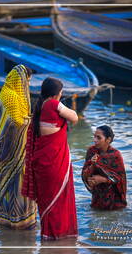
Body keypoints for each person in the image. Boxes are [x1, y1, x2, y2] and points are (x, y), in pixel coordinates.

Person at [22, 77, 78, 240]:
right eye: (61, 93)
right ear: (56, 94)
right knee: (58, 201)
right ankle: (58, 236)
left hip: (42, 162)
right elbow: (74, 117)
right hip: (54, 163)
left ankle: (48, 236)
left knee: (47, 201)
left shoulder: (39, 106)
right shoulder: (53, 104)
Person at [0, 64, 37, 229]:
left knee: (7, 184)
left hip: (2, 150)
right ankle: (20, 220)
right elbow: (17, 122)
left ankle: (6, 219)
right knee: (18, 184)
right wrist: (33, 120)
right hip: (15, 150)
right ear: (22, 79)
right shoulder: (12, 97)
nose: (27, 85)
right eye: (27, 81)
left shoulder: (2, 94)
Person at [82, 125, 127, 210]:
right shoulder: (91, 151)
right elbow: (84, 175)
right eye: (94, 136)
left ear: (108, 140)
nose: (94, 140)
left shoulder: (115, 155)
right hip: (97, 200)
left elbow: (121, 178)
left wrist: (103, 179)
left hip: (115, 203)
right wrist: (92, 164)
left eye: (98, 138)